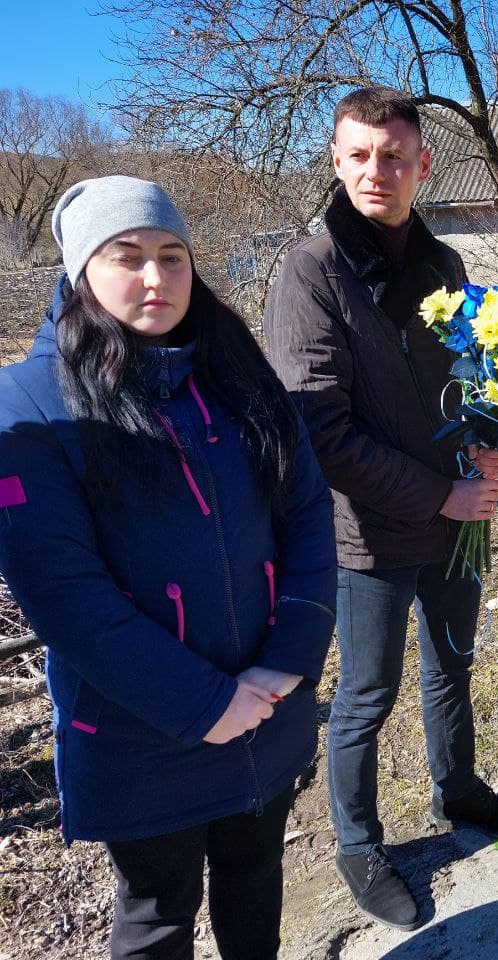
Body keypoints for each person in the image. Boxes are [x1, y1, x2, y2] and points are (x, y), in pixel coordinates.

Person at [0, 176, 337, 960]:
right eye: (128, 257)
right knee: (158, 913)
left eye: (173, 255)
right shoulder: (30, 408)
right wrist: (203, 704)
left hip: (266, 701)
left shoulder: (239, 376)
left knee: (257, 882)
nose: (156, 278)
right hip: (143, 730)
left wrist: (286, 664)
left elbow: (309, 516)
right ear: (82, 269)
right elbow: (67, 599)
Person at [263, 87, 498, 932]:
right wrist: (440, 491)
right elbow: (319, 431)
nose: (377, 171)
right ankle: (358, 843)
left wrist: (489, 442)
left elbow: (468, 381)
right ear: (337, 162)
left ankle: (458, 789)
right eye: (360, 156)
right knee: (368, 694)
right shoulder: (311, 273)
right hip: (368, 535)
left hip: (458, 521)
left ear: (423, 165)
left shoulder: (445, 266)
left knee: (452, 664)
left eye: (394, 156)